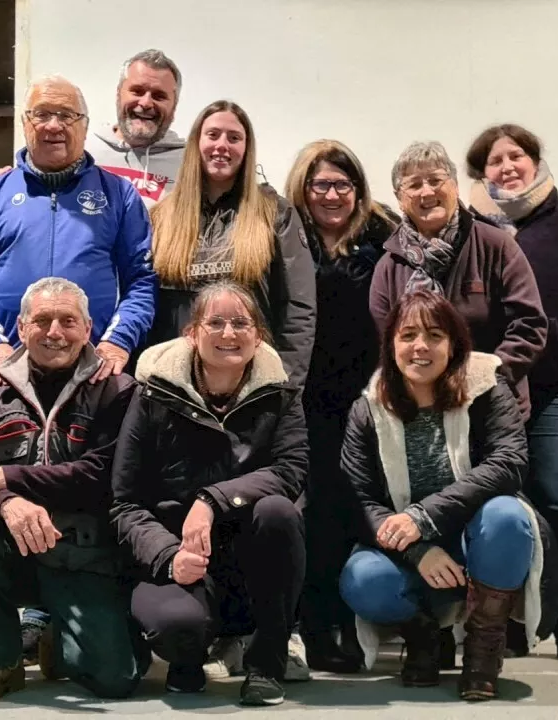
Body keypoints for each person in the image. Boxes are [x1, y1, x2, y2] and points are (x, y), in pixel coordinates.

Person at [0, 75, 156, 681]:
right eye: (42, 115)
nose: (54, 125)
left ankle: (67, 617)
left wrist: (117, 340)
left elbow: (140, 278)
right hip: (12, 366)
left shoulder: (117, 196)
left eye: (67, 114)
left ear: (87, 126)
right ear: (27, 124)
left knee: (82, 484)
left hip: (90, 368)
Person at [338, 291, 551, 701]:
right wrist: (418, 550)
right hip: (408, 553)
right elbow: (358, 499)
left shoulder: (486, 388)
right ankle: (423, 639)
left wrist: (423, 517)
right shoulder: (367, 410)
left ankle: (483, 649)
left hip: (479, 547)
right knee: (361, 579)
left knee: (507, 515)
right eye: (408, 335)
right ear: (391, 345)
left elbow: (509, 462)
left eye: (435, 335)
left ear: (454, 345)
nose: (421, 346)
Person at [0, 277, 141, 702]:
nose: (55, 332)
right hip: (9, 549)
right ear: (21, 326)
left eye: (68, 321)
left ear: (88, 329)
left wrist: (5, 478)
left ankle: (56, 637)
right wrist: (8, 502)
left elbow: (102, 477)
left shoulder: (118, 390)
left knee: (115, 679)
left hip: (81, 554)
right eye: (43, 320)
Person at [111, 282, 307, 706]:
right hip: (177, 555)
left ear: (258, 336)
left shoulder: (282, 397)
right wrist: (167, 556)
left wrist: (211, 500)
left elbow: (290, 472)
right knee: (179, 627)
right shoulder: (151, 395)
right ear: (191, 333)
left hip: (248, 560)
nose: (229, 334)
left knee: (279, 512)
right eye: (214, 322)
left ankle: (265, 665)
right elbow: (125, 503)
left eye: (241, 323)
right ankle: (187, 658)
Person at [465, 124, 558, 664]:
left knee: (553, 497)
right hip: (492, 394)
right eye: (494, 161)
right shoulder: (475, 231)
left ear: (535, 162)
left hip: (556, 391)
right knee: (501, 504)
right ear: (481, 173)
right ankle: (508, 622)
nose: (507, 167)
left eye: (517, 156)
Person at [282, 140, 398, 673]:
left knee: (362, 511)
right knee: (313, 517)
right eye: (320, 185)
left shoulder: (383, 239)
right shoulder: (285, 238)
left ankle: (365, 626)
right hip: (301, 399)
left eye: (342, 185)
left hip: (370, 401)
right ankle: (316, 626)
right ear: (303, 189)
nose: (331, 195)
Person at [369, 141, 547, 423]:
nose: (427, 191)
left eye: (436, 180)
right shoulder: (387, 267)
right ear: (400, 198)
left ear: (454, 186)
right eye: (414, 185)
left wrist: (484, 378)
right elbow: (390, 347)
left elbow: (530, 325)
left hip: (493, 410)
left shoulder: (496, 246)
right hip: (420, 416)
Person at [145, 100, 316, 390]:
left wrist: (283, 387)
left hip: (253, 389)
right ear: (196, 143)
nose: (222, 145)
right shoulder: (161, 217)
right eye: (213, 135)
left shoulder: (275, 213)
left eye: (234, 138)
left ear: (247, 149)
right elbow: (146, 304)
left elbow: (298, 311)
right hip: (176, 389)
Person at [91, 48, 186, 207]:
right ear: (118, 95)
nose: (146, 103)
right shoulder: (84, 152)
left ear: (174, 106)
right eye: (137, 91)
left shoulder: (189, 162)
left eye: (159, 96)